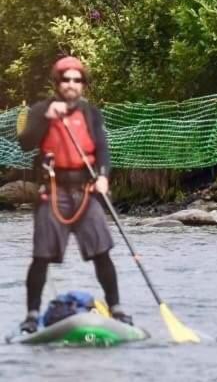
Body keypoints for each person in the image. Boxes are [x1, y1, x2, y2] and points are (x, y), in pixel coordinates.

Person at [17, 56, 132, 333]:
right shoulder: (40, 111)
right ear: (57, 83)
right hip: (53, 191)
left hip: (85, 192)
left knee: (102, 253)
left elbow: (103, 149)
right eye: (66, 79)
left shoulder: (91, 114)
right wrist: (45, 117)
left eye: (76, 80)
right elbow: (25, 143)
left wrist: (103, 176)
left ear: (82, 84)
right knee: (41, 257)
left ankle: (116, 309)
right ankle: (31, 316)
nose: (71, 84)